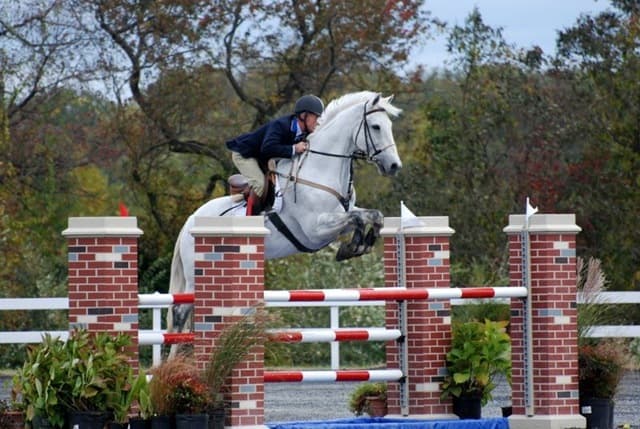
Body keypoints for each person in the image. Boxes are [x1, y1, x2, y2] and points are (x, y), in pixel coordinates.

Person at [226, 94, 324, 214]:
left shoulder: (305, 132)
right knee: (260, 185)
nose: (319, 122)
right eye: (316, 117)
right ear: (304, 116)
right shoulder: (281, 125)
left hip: (263, 157)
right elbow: (267, 148)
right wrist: (294, 148)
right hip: (244, 154)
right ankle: (250, 221)